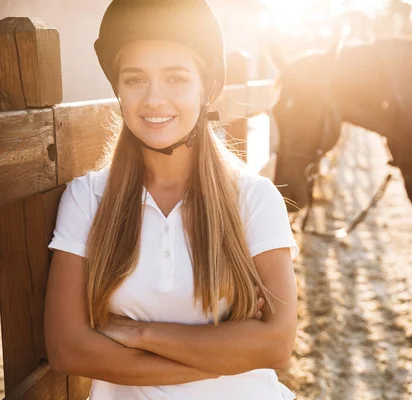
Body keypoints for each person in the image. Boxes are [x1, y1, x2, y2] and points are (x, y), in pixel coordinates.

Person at [43, 1, 299, 399]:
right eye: (135, 79)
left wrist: (138, 332)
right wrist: (226, 354)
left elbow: (277, 345)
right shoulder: (87, 199)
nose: (154, 100)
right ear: (118, 89)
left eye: (177, 79)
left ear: (206, 88)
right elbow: (67, 349)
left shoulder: (253, 197)